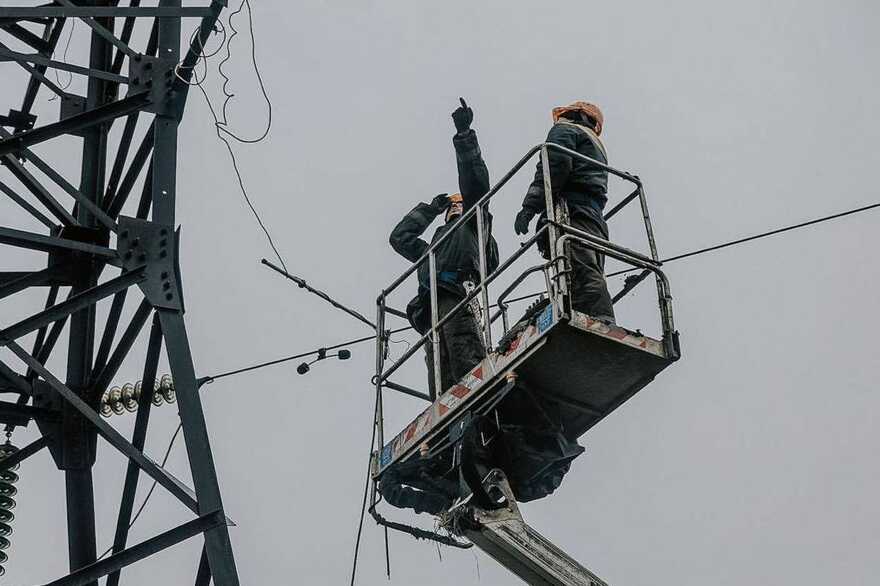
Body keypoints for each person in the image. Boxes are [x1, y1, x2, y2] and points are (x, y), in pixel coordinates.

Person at [389, 98, 499, 399]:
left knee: (465, 356)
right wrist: (430, 210)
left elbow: (475, 183)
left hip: (457, 295)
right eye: (452, 205)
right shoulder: (433, 248)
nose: (455, 206)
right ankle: (448, 412)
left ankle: (481, 398)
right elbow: (400, 238)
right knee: (439, 373)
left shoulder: (473, 225)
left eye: (458, 203)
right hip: (431, 306)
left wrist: (465, 135)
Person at [513, 101, 615, 323]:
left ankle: (598, 321)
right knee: (586, 268)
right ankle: (592, 315)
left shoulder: (566, 129)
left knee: (579, 269)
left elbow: (554, 167)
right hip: (593, 216)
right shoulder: (595, 143)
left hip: (572, 212)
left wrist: (529, 207)